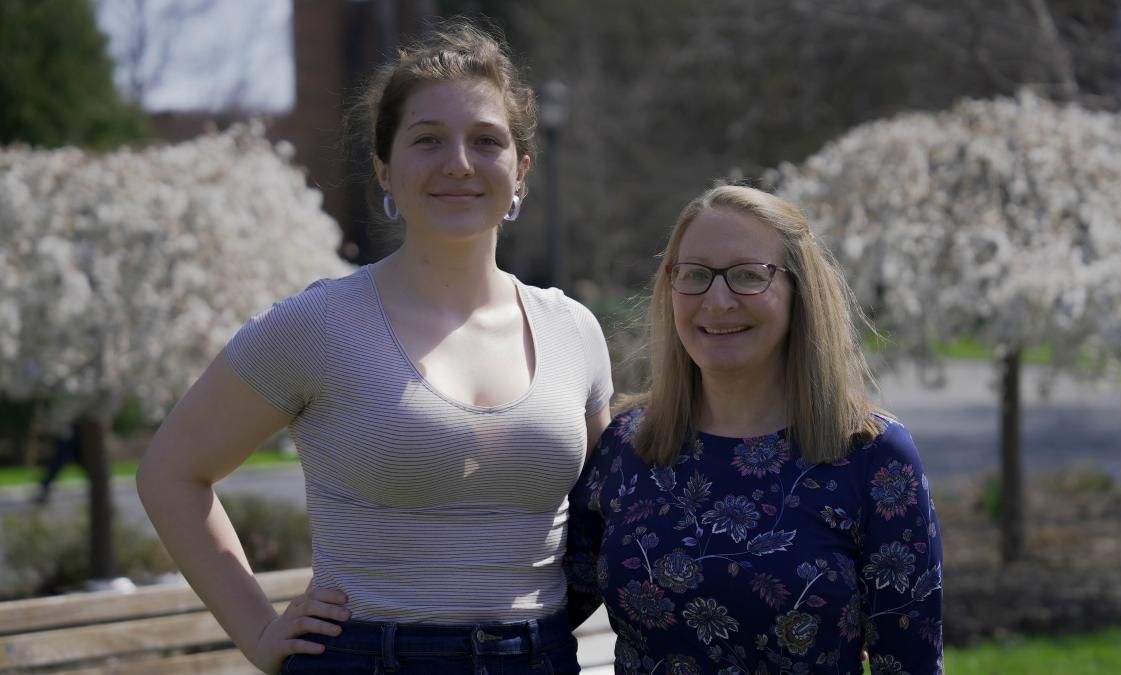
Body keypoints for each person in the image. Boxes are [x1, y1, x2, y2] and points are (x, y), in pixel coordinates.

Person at [138, 21, 612, 675]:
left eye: (485, 141)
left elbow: (606, 518)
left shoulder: (574, 331)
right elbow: (170, 471)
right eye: (427, 140)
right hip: (364, 657)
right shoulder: (318, 324)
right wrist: (256, 629)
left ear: (521, 170)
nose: (458, 163)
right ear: (385, 168)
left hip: (539, 657)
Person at [563, 185, 943, 674]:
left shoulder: (873, 456)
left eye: (748, 276)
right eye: (695, 275)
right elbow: (544, 609)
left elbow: (911, 665)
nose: (718, 301)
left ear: (799, 291)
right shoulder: (628, 447)